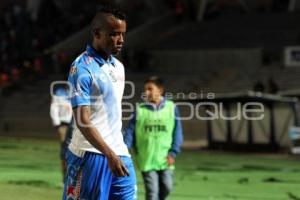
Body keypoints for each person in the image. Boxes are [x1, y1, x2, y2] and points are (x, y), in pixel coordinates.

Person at [62, 5, 136, 200]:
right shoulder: (81, 68)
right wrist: (108, 154)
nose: (120, 40)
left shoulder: (118, 67)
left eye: (123, 34)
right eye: (113, 34)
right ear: (97, 33)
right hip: (89, 154)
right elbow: (83, 121)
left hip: (119, 153)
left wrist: (115, 153)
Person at [124, 76, 183, 200]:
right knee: (152, 192)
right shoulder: (140, 110)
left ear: (160, 90)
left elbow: (177, 132)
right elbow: (130, 132)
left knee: (167, 187)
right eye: (145, 90)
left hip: (165, 158)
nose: (147, 92)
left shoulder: (171, 108)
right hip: (146, 159)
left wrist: (173, 152)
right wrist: (125, 150)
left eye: (150, 89)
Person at [50, 85, 73, 181]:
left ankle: (72, 177)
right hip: (64, 124)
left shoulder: (76, 91)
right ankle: (65, 177)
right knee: (65, 151)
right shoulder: (59, 93)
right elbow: (54, 108)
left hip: (76, 125)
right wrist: (57, 124)